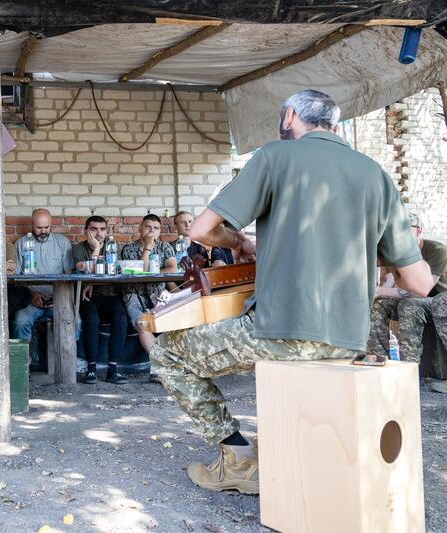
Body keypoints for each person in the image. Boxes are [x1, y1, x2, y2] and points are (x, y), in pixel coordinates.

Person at [149, 89, 434, 495]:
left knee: (168, 353)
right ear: (336, 127)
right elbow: (419, 283)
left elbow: (200, 231)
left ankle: (238, 458)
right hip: (348, 341)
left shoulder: (273, 157)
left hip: (281, 334)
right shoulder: (376, 175)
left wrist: (237, 242)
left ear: (288, 116)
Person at [366, 213, 447, 364]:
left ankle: (409, 365)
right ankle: (378, 361)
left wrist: (377, 291)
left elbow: (420, 291)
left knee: (408, 304)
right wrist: (375, 295)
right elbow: (389, 282)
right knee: (380, 305)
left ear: (419, 231)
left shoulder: (437, 251)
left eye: (405, 229)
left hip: (440, 300)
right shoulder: (396, 253)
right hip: (419, 302)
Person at [72, 216, 128, 384]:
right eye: (94, 229)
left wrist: (92, 282)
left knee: (121, 317)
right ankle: (91, 369)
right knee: (91, 319)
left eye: (102, 229)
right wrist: (96, 249)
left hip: (110, 295)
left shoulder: (113, 247)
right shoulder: (77, 249)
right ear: (86, 231)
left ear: (107, 231)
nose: (98, 233)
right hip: (88, 297)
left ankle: (112, 369)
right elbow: (85, 268)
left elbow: (117, 272)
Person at [120, 214, 177, 379]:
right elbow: (140, 271)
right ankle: (161, 366)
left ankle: (162, 368)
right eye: (148, 227)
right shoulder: (129, 249)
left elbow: (172, 269)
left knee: (172, 323)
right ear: (140, 228)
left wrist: (153, 272)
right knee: (142, 323)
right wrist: (148, 248)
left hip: (159, 295)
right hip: (134, 295)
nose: (152, 231)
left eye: (156, 228)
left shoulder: (165, 246)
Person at [13, 208, 73, 343]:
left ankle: (71, 360)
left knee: (76, 321)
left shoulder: (62, 242)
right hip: (31, 301)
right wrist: (31, 296)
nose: (43, 231)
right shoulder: (21, 244)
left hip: (58, 300)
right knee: (20, 321)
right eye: (39, 227)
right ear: (32, 225)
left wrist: (59, 297)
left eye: (47, 227)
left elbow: (69, 274)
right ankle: (22, 360)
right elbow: (15, 278)